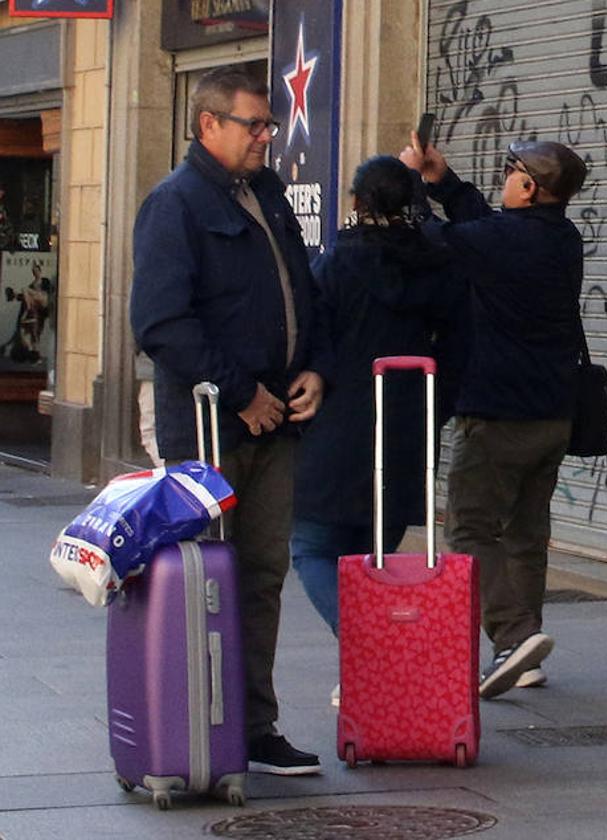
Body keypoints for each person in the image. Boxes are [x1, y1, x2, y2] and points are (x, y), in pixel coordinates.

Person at [129, 66, 329, 776]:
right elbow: (159, 324)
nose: (267, 137)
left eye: (270, 125)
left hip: (277, 420)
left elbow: (301, 290)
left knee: (263, 572)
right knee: (207, 575)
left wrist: (314, 367)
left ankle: (255, 726)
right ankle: (198, 724)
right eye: (254, 125)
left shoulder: (268, 194)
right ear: (208, 124)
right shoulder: (174, 204)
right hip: (212, 424)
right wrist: (242, 390)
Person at [401, 135, 587, 700]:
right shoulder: (562, 238)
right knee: (527, 534)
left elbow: (437, 238)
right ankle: (525, 652)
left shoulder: (504, 241)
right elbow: (486, 227)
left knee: (471, 528)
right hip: (554, 414)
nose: (504, 177)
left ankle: (512, 637)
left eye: (511, 171)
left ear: (529, 188)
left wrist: (412, 183)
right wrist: (446, 182)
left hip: (497, 413)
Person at [290, 155, 468, 648]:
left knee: (311, 545)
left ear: (356, 203)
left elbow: (308, 342)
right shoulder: (440, 266)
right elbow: (460, 349)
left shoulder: (333, 266)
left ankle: (370, 649)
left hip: (337, 432)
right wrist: (434, 410)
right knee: (376, 555)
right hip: (409, 430)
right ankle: (372, 671)